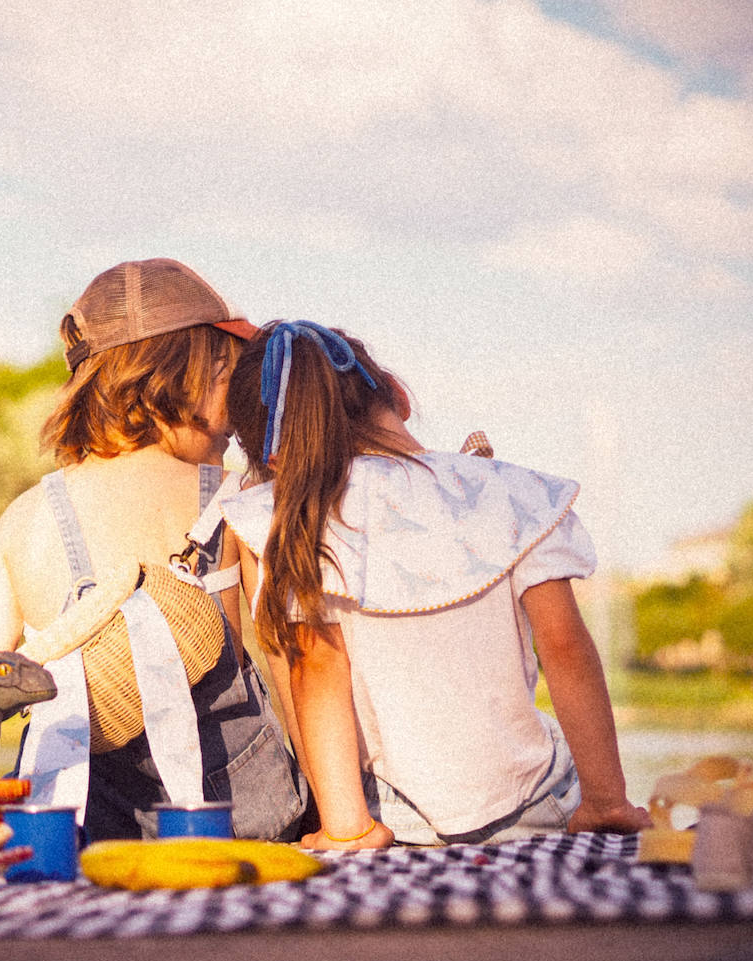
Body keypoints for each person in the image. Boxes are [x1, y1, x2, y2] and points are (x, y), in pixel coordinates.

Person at [220, 320, 651, 849]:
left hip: (402, 816)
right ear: (397, 395)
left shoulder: (304, 522)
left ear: (275, 457)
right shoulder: (508, 493)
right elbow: (564, 646)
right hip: (538, 799)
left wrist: (346, 827)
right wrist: (607, 802)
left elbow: (318, 671)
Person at [0, 259, 305, 842]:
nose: (239, 408)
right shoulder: (233, 498)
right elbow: (293, 666)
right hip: (235, 824)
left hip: (83, 830)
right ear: (195, 371)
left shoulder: (27, 518)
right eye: (230, 374)